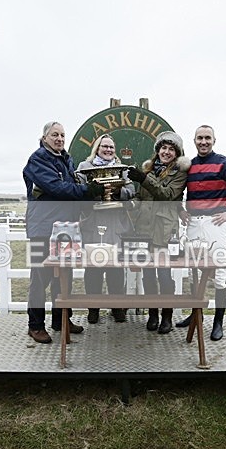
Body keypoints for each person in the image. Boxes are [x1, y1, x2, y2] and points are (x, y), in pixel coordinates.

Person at [23, 121, 103, 344]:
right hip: (42, 229)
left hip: (65, 229)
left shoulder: (66, 160)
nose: (59, 139)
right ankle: (35, 325)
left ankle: (61, 320)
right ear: (44, 138)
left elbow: (70, 191)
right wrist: (86, 190)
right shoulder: (38, 159)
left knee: (63, 277)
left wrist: (89, 196)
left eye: (62, 135)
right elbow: (57, 188)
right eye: (55, 135)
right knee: (40, 279)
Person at [174, 125, 226, 341]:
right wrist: (180, 210)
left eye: (207, 138)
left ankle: (218, 322)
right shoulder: (188, 166)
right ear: (194, 140)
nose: (203, 142)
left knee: (219, 273)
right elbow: (176, 192)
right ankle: (196, 316)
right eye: (200, 138)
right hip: (193, 223)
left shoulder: (224, 164)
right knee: (193, 271)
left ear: (214, 140)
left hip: (216, 224)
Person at [127, 131, 189, 334]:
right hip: (144, 229)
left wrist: (144, 179)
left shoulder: (179, 173)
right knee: (148, 275)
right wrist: (131, 203)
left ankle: (167, 316)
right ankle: (152, 314)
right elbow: (141, 196)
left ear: (177, 153)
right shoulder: (148, 169)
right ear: (158, 150)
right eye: (163, 148)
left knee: (164, 276)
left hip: (164, 231)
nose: (166, 152)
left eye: (171, 149)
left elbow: (167, 194)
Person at [76, 134, 135, 324]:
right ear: (97, 148)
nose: (108, 150)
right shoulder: (84, 167)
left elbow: (132, 190)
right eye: (104, 146)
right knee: (93, 269)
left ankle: (117, 308)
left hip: (116, 225)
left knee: (116, 269)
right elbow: (78, 192)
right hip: (92, 224)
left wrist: (118, 191)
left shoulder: (121, 169)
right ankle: (93, 309)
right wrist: (94, 192)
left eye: (111, 147)